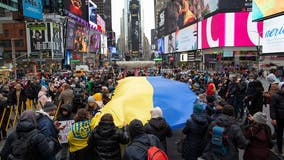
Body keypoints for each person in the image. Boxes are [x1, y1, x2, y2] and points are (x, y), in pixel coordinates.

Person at [270, 82, 284, 155]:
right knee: (279, 134)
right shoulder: (275, 96)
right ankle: (279, 149)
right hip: (279, 118)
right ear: (280, 88)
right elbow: (272, 108)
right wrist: (273, 118)